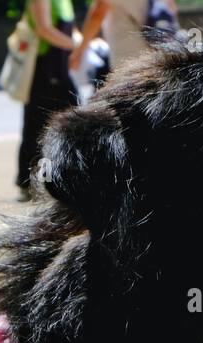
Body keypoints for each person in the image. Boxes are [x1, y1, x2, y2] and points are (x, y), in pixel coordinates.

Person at [16, 0, 77, 202]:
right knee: (42, 125)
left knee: (56, 123)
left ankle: (51, 180)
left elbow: (69, 29)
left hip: (59, 66)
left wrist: (84, 44)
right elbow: (44, 29)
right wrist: (75, 45)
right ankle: (34, 181)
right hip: (46, 68)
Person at [71, 0, 178, 76]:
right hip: (157, 52)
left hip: (128, 56)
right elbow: (171, 8)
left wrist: (79, 51)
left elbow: (98, 13)